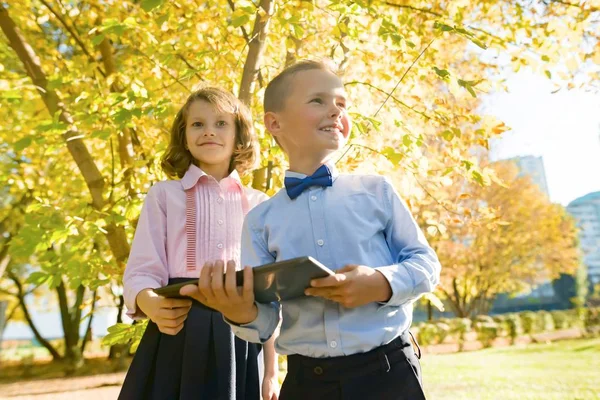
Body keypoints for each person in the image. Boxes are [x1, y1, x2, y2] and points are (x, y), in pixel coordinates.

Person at [182, 60, 441, 400]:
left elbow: (426, 264)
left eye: (341, 104)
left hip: (388, 372)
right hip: (307, 384)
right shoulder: (260, 220)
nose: (335, 110)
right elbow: (265, 319)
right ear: (274, 123)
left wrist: (380, 283)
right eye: (318, 100)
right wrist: (238, 312)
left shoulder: (377, 191)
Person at [119, 87, 279, 400]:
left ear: (239, 136)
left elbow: (270, 297)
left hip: (240, 337)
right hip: (176, 331)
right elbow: (141, 267)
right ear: (184, 135)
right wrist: (149, 302)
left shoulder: (260, 205)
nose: (208, 131)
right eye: (197, 124)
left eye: (221, 124)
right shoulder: (164, 196)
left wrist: (271, 371)